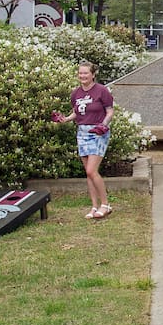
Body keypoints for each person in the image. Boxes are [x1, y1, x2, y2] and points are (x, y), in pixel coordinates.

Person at [51, 60, 114, 219]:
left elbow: (109, 111)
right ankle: (94, 206)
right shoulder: (76, 93)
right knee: (89, 174)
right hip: (82, 132)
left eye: (86, 73)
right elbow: (77, 112)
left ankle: (105, 204)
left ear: (93, 74)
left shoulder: (102, 91)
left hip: (98, 132)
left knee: (91, 170)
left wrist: (103, 125)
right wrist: (64, 119)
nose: (83, 76)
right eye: (80, 73)